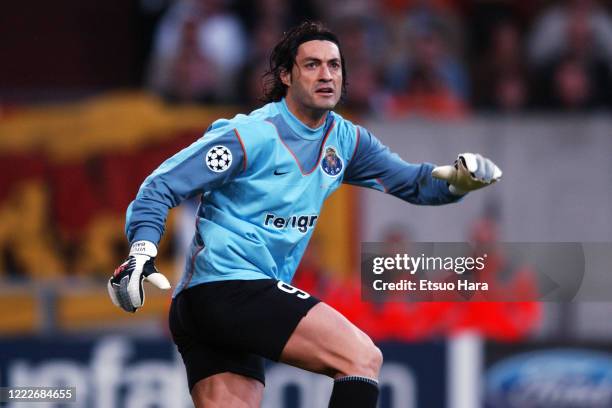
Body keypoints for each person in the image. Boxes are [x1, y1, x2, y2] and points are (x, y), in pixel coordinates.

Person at [108, 21, 501, 408]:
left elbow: (414, 182)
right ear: (285, 75)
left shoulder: (346, 140)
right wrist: (141, 253)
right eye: (312, 64)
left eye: (335, 65)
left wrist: (457, 180)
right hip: (227, 288)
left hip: (214, 308)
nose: (326, 74)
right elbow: (159, 186)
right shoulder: (250, 135)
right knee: (361, 358)